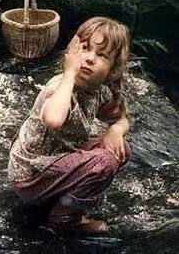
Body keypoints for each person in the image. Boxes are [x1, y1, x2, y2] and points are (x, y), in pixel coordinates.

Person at [8, 16, 131, 235]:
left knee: (121, 149)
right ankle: (65, 219)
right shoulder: (59, 86)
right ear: (71, 52)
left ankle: (64, 194)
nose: (90, 59)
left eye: (101, 55)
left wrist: (115, 130)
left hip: (57, 162)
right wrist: (69, 73)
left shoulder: (99, 91)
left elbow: (121, 118)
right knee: (104, 162)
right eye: (85, 49)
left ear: (112, 69)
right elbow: (54, 120)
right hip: (31, 174)